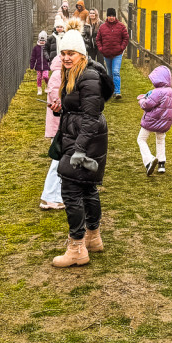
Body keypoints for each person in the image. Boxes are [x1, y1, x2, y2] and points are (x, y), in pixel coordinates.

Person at [52, 30, 114, 267]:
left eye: (72, 53)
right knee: (87, 188)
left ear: (82, 54)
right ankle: (93, 237)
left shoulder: (87, 76)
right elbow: (79, 109)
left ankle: (77, 247)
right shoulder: (74, 75)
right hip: (82, 138)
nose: (67, 58)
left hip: (84, 141)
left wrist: (78, 149)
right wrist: (61, 108)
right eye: (64, 53)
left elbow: (91, 116)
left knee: (70, 191)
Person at [137, 65, 172, 175]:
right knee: (160, 139)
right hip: (164, 122)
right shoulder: (170, 91)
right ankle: (161, 163)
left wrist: (142, 100)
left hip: (151, 120)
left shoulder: (157, 92)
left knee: (141, 139)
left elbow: (146, 105)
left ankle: (149, 160)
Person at [40, 55, 65, 210]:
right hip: (58, 125)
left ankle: (56, 195)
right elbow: (58, 100)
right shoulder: (57, 75)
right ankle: (50, 197)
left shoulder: (61, 74)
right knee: (58, 161)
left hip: (62, 124)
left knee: (61, 160)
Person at [95, 8, 129, 100]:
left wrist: (121, 48)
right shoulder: (102, 27)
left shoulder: (121, 26)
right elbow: (98, 39)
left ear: (115, 16)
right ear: (107, 16)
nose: (111, 18)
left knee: (116, 72)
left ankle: (117, 92)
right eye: (109, 16)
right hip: (107, 54)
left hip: (117, 54)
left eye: (113, 16)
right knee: (110, 74)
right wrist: (102, 49)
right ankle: (111, 91)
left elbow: (126, 38)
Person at [30, 30, 50, 95]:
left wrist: (50, 63)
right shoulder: (36, 48)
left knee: (45, 76)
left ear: (46, 41)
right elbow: (33, 57)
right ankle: (39, 89)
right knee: (39, 77)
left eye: (43, 40)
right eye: (41, 40)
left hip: (46, 66)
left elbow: (50, 56)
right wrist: (32, 65)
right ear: (38, 40)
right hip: (38, 66)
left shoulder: (47, 48)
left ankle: (47, 86)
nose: (42, 42)